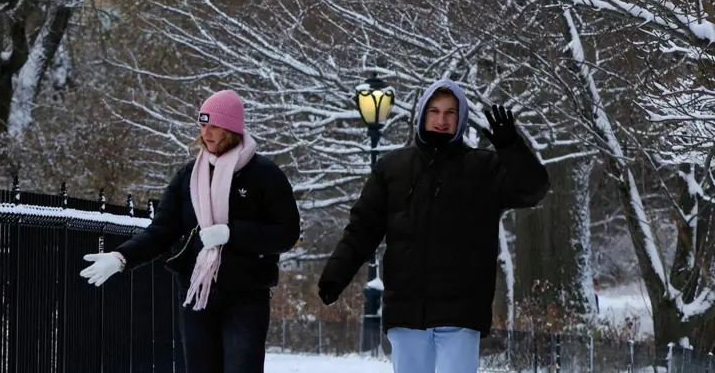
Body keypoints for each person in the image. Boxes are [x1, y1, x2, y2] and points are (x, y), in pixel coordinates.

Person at [317, 79, 549, 373]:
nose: (441, 120)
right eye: (434, 111)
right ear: (422, 114)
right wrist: (335, 275)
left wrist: (511, 147)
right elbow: (362, 229)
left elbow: (534, 190)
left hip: (461, 311)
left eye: (450, 113)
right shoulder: (392, 168)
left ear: (461, 118)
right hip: (406, 310)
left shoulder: (484, 168)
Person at [80, 89, 301, 373]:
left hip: (247, 295)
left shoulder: (265, 175)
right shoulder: (188, 176)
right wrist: (121, 257)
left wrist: (232, 233)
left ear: (232, 129)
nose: (206, 134)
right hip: (196, 294)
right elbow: (162, 230)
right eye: (202, 125)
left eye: (214, 127)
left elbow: (287, 233)